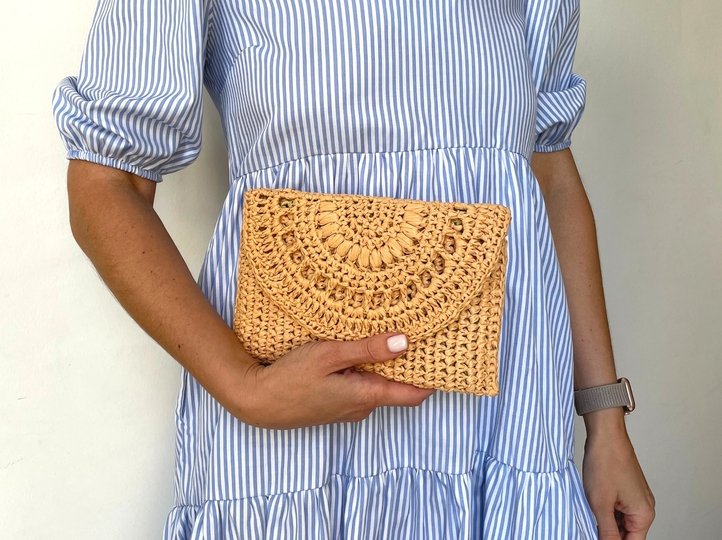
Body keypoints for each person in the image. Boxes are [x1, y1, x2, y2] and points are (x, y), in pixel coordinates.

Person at [52, 0, 655, 538]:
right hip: (294, 434)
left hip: (500, 420)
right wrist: (244, 387)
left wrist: (605, 419)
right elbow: (104, 183)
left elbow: (546, 171)